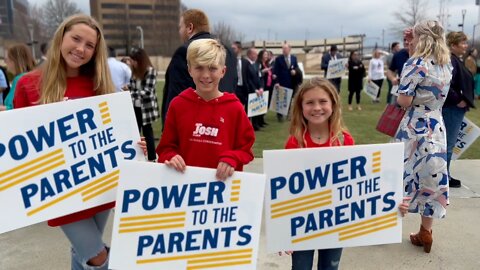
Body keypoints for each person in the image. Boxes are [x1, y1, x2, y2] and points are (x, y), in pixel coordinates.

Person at [14, 14, 115, 269]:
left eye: (89, 45)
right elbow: (20, 146)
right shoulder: (29, 85)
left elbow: (116, 134)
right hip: (60, 190)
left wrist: (137, 146)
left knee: (82, 253)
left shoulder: (101, 86)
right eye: (76, 39)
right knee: (98, 257)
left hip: (100, 185)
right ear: (61, 37)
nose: (81, 49)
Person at [156, 38, 255, 180]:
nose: (206, 75)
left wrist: (232, 158)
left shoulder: (234, 108)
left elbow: (246, 150)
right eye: (199, 67)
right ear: (190, 70)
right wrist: (171, 156)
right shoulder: (178, 105)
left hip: (222, 190)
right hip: (185, 188)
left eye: (212, 68)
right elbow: (165, 148)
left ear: (223, 71)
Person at [395, 20, 452, 253]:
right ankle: (425, 232)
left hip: (415, 125)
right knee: (431, 178)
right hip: (436, 125)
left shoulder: (415, 63)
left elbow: (404, 100)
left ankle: (384, 225)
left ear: (422, 39)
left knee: (399, 173)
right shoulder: (445, 64)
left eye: (415, 37)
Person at [285, 77, 354, 270]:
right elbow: (285, 192)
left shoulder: (344, 140)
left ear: (333, 104)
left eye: (323, 101)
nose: (317, 107)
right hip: (303, 224)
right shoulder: (295, 143)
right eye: (310, 102)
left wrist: (390, 206)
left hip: (335, 223)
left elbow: (358, 186)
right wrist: (283, 231)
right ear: (301, 107)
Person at [161, 9, 237, 127]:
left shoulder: (185, 51)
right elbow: (232, 86)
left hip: (196, 130)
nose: (179, 32)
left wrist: (170, 130)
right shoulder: (228, 51)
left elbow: (175, 95)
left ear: (189, 27)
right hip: (226, 125)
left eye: (180, 27)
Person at [442, 32, 475, 188]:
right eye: (463, 43)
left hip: (453, 108)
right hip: (451, 109)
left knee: (448, 144)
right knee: (447, 144)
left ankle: (444, 174)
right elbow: (445, 85)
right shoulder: (451, 61)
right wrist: (458, 100)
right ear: (453, 45)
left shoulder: (455, 60)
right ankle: (444, 177)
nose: (466, 46)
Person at [128, 48, 159, 162]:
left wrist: (130, 93)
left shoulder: (150, 71)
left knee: (147, 132)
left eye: (133, 60)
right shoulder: (133, 72)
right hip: (135, 106)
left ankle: (152, 158)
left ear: (140, 60)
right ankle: (136, 157)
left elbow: (148, 91)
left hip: (146, 108)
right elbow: (131, 86)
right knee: (135, 132)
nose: (131, 63)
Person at [0, 44, 36, 111]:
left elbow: (15, 108)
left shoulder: (20, 79)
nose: (5, 61)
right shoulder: (31, 77)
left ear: (14, 61)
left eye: (7, 58)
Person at [273, 43, 300, 121]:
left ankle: (288, 113)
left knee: (289, 98)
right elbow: (275, 71)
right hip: (281, 82)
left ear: (289, 49)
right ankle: (279, 115)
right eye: (283, 49)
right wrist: (276, 82)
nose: (284, 50)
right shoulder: (278, 59)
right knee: (281, 99)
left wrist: (295, 71)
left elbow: (296, 67)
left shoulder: (294, 58)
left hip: (291, 82)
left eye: (285, 49)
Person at [386, 31, 411, 104]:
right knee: (394, 109)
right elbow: (390, 70)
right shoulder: (398, 55)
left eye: (409, 40)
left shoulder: (422, 55)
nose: (406, 42)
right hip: (401, 91)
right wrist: (393, 78)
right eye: (404, 40)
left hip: (418, 95)